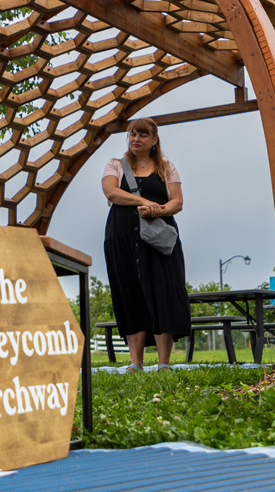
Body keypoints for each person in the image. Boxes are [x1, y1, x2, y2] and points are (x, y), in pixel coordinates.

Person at [101, 118, 189, 372]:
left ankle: (164, 363)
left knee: (164, 288)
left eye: (143, 135)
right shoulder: (115, 164)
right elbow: (111, 192)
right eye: (132, 134)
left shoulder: (166, 167)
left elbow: (178, 202)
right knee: (129, 290)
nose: (136, 139)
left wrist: (156, 210)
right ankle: (134, 362)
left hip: (159, 235)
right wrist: (144, 200)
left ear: (154, 140)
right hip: (122, 235)